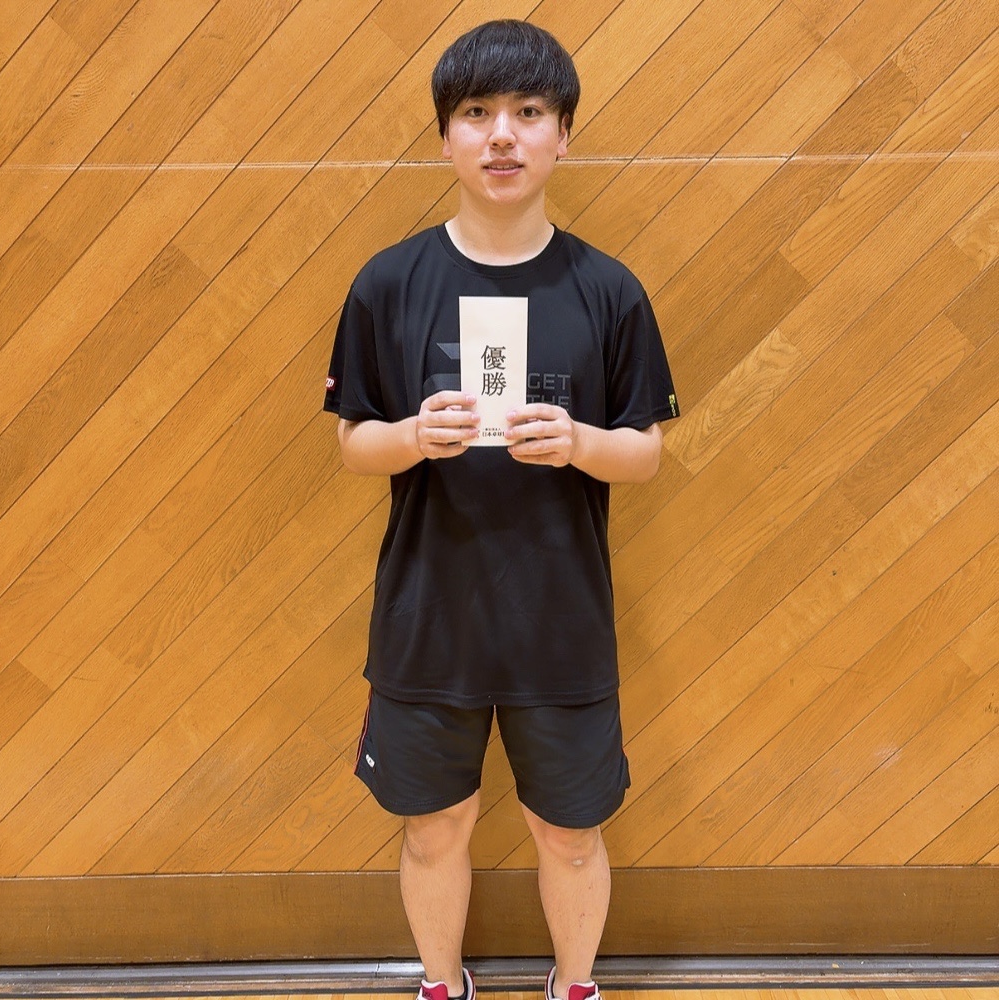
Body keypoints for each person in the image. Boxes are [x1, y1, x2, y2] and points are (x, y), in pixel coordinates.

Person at [323, 19, 679, 1000]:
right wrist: (412, 435)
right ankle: (442, 984)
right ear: (446, 137)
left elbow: (645, 452)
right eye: (476, 113)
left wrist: (578, 442)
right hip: (426, 618)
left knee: (569, 834)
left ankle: (575, 986)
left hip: (560, 624)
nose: (502, 135)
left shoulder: (607, 290)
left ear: (563, 135)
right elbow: (353, 443)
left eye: (528, 112)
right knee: (433, 826)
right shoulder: (388, 283)